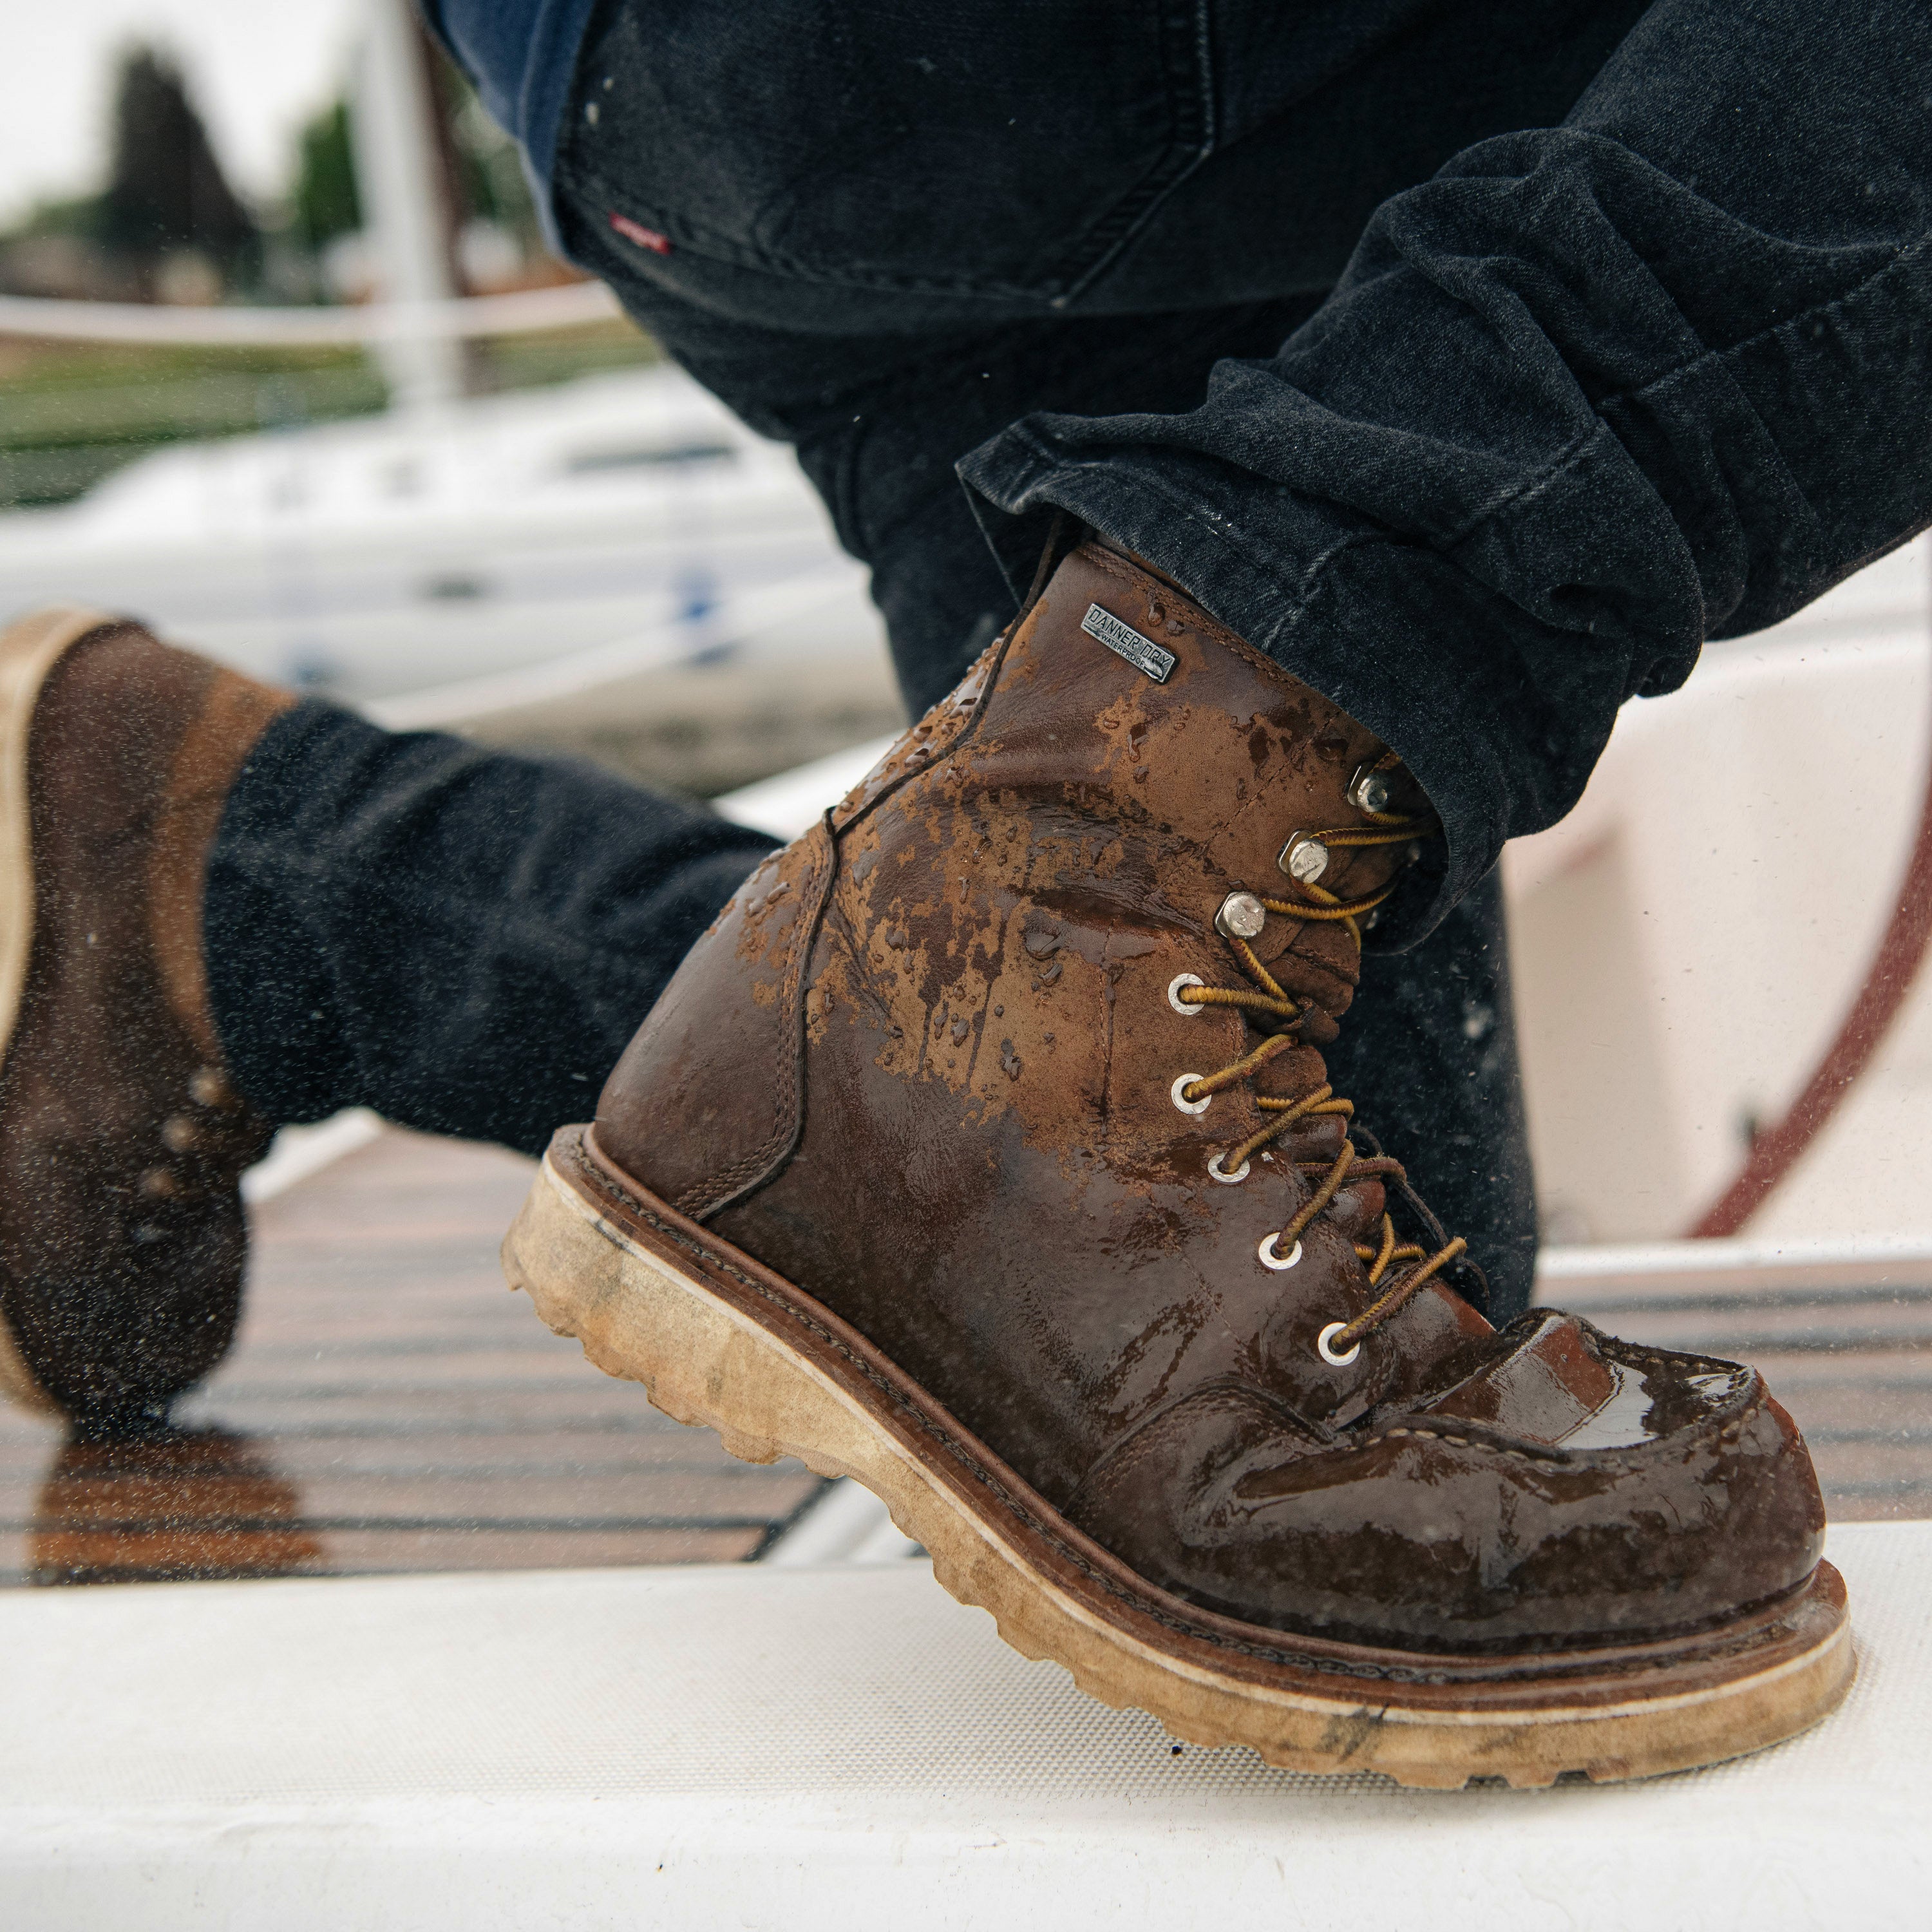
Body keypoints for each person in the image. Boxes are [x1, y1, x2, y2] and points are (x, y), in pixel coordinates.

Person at [0, 0, 1917, 1779]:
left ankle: (249, 868)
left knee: (1224, 1347)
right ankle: (1085, 863)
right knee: (1244, 1337)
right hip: (1069, 63)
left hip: (747, 104)